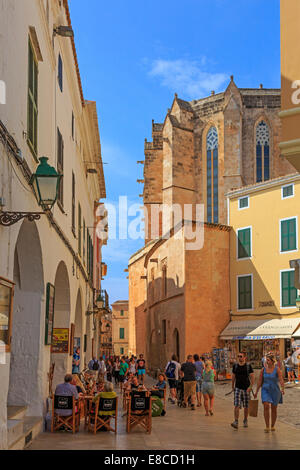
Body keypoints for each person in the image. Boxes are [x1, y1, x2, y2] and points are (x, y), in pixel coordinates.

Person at [254, 352, 285, 432]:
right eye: (265, 360)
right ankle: (267, 426)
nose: (266, 361)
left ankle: (272, 425)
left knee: (274, 409)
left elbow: (281, 379)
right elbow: (260, 381)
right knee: (266, 405)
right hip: (265, 389)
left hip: (275, 390)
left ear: (272, 361)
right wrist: (256, 391)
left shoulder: (277, 369)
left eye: (268, 360)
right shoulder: (263, 370)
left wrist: (282, 388)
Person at [231, 351, 255, 429]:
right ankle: (236, 421)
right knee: (236, 405)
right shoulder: (235, 366)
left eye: (241, 356)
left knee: (246, 406)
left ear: (245, 357)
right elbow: (233, 376)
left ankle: (245, 420)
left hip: (246, 388)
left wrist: (251, 386)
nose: (239, 358)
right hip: (237, 388)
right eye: (238, 356)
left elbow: (252, 377)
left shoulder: (248, 366)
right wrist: (232, 386)